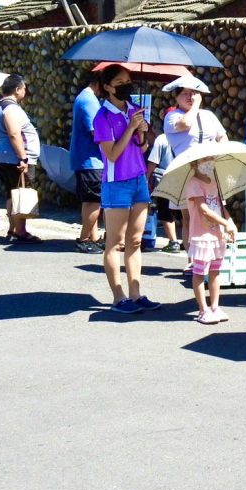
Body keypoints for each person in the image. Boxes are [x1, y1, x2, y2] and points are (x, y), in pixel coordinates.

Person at [93, 65, 160, 315]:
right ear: (108, 87)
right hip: (116, 183)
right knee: (115, 242)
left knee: (135, 240)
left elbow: (141, 150)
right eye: (120, 81)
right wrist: (131, 127)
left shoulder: (134, 111)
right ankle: (118, 296)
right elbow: (111, 155)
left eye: (129, 80)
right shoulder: (102, 117)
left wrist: (142, 134)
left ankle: (136, 293)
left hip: (139, 179)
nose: (126, 85)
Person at [164, 75, 227, 266]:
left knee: (213, 211)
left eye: (193, 93)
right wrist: (196, 106)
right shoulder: (172, 116)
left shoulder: (208, 116)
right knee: (189, 216)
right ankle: (193, 260)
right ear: (176, 97)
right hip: (185, 171)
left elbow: (222, 137)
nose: (190, 97)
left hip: (209, 170)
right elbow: (186, 124)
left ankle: (214, 257)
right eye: (184, 93)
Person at [185, 157, 239, 324]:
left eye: (211, 159)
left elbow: (222, 208)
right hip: (202, 236)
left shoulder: (215, 182)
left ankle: (215, 306)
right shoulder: (193, 183)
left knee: (215, 271)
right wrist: (225, 223)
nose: (209, 162)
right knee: (200, 273)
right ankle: (203, 309)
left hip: (217, 235)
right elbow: (204, 210)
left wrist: (230, 223)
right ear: (194, 164)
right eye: (204, 160)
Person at [0, 74, 42, 244]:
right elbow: (14, 133)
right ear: (17, 89)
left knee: (12, 193)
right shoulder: (11, 108)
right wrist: (23, 158)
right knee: (21, 192)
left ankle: (13, 229)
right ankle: (20, 231)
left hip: (3, 156)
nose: (25, 92)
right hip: (15, 158)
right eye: (24, 88)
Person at [69, 69, 104, 254]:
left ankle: (94, 236)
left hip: (85, 160)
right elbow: (96, 131)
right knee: (94, 202)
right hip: (91, 161)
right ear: (97, 82)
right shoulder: (89, 100)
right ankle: (83, 239)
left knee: (89, 201)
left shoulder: (83, 98)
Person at [146, 129, 181, 252]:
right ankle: (187, 242)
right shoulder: (187, 138)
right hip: (184, 178)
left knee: (166, 212)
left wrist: (147, 178)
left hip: (164, 179)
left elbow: (153, 161)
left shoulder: (162, 138)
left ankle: (173, 241)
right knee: (184, 213)